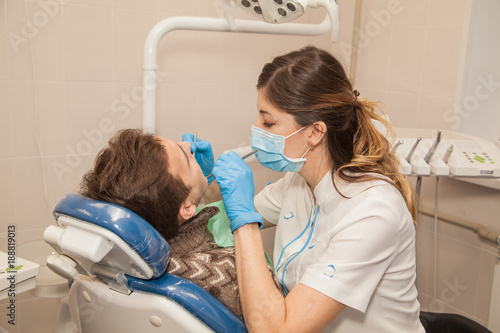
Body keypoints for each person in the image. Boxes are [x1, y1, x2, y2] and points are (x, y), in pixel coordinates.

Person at [204, 46, 425, 332]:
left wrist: (245, 220)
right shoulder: (298, 183)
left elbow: (274, 330)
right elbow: (220, 214)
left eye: (268, 121)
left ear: (315, 132)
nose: (255, 127)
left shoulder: (374, 211)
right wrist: (204, 180)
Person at [79, 129, 284, 319]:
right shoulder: (230, 272)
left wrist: (207, 184)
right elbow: (276, 317)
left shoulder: (127, 258)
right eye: (185, 157)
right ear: (186, 209)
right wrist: (245, 218)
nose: (187, 146)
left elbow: (206, 227)